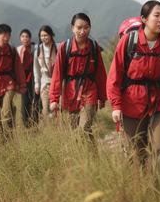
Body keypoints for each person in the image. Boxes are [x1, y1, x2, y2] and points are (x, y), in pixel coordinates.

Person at [107, 0, 160, 174]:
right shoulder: (129, 42)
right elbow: (114, 76)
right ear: (144, 19)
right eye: (157, 16)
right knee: (137, 153)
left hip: (159, 101)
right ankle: (139, 190)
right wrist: (116, 105)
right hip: (132, 102)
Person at [49, 13, 107, 148]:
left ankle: (91, 158)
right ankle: (87, 158)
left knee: (84, 127)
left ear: (90, 28)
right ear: (72, 28)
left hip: (90, 91)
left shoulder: (93, 46)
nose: (82, 31)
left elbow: (100, 73)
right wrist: (54, 98)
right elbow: (57, 75)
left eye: (86, 27)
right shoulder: (65, 47)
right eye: (79, 27)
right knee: (74, 132)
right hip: (71, 94)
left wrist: (102, 97)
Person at [34, 25, 59, 122]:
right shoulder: (38, 51)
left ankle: (60, 130)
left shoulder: (58, 48)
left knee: (58, 109)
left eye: (46, 35)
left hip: (57, 83)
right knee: (46, 110)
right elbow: (36, 68)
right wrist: (37, 84)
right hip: (45, 83)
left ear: (51, 35)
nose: (43, 38)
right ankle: (48, 131)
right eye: (41, 36)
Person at [17, 29, 38, 127]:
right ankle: (26, 125)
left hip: (33, 77)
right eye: (23, 36)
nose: (25, 39)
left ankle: (35, 123)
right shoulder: (19, 49)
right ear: (20, 38)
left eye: (27, 36)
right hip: (23, 78)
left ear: (30, 38)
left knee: (34, 100)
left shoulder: (35, 48)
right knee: (25, 102)